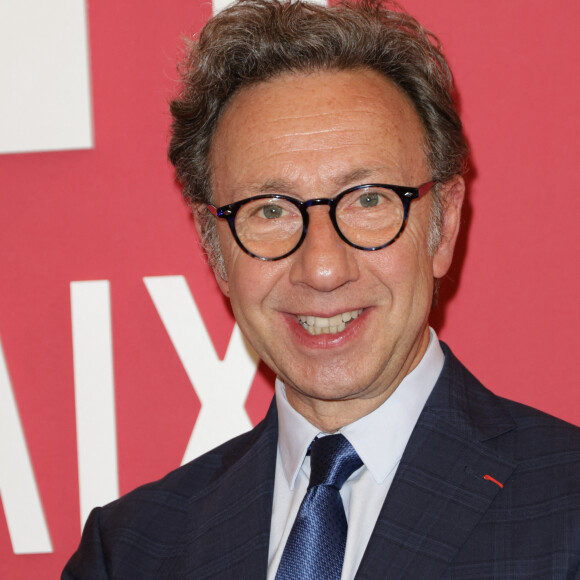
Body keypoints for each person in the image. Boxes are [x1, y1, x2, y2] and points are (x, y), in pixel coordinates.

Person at [63, 0, 580, 578]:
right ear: (215, 249)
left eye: (367, 200)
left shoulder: (566, 508)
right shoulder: (130, 551)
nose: (323, 268)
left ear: (445, 225)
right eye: (270, 210)